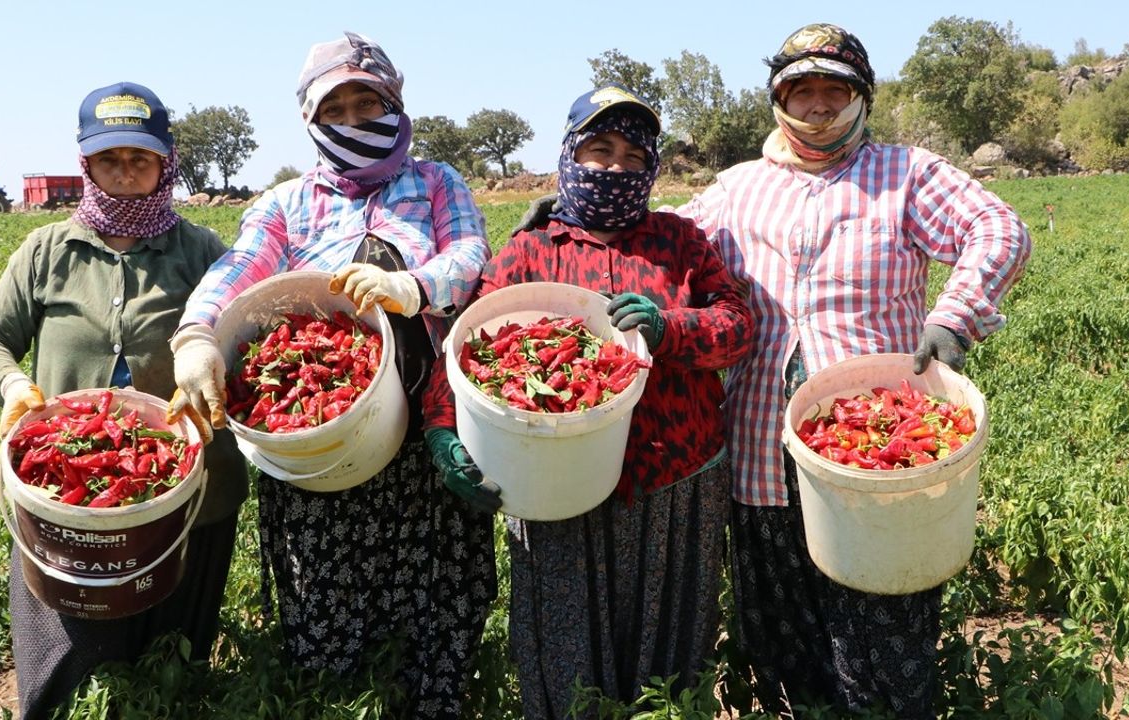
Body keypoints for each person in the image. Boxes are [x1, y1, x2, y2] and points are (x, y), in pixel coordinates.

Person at [677, 24, 1031, 718]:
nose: (816, 105)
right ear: (779, 99)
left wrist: (955, 314)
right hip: (759, 454)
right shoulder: (737, 189)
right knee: (783, 646)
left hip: (875, 451)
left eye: (832, 90)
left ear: (861, 97)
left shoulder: (906, 174)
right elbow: (665, 244)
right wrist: (571, 229)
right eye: (799, 90)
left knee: (881, 637)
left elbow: (998, 228)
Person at [166, 32, 496, 718]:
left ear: (395, 102)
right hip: (317, 436)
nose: (352, 119)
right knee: (328, 588)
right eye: (334, 109)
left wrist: (415, 284)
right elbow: (241, 267)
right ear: (311, 121)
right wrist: (197, 337)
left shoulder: (436, 182)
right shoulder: (288, 202)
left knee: (431, 591)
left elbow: (469, 253)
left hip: (420, 427)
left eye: (366, 101)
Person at [423, 84, 755, 719]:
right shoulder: (529, 251)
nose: (615, 168)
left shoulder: (678, 240)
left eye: (634, 156)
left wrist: (671, 328)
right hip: (551, 480)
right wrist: (446, 432)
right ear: (569, 156)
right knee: (565, 658)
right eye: (599, 150)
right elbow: (464, 347)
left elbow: (738, 327)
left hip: (674, 481)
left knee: (669, 657)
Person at [0, 81, 249, 718]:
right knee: (67, 659)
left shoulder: (200, 250)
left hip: (187, 490)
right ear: (86, 164)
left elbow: (249, 332)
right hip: (64, 490)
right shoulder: (47, 251)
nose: (125, 174)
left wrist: (211, 370)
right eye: (109, 159)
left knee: (172, 660)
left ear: (165, 163)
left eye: (140, 159)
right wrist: (12, 384)